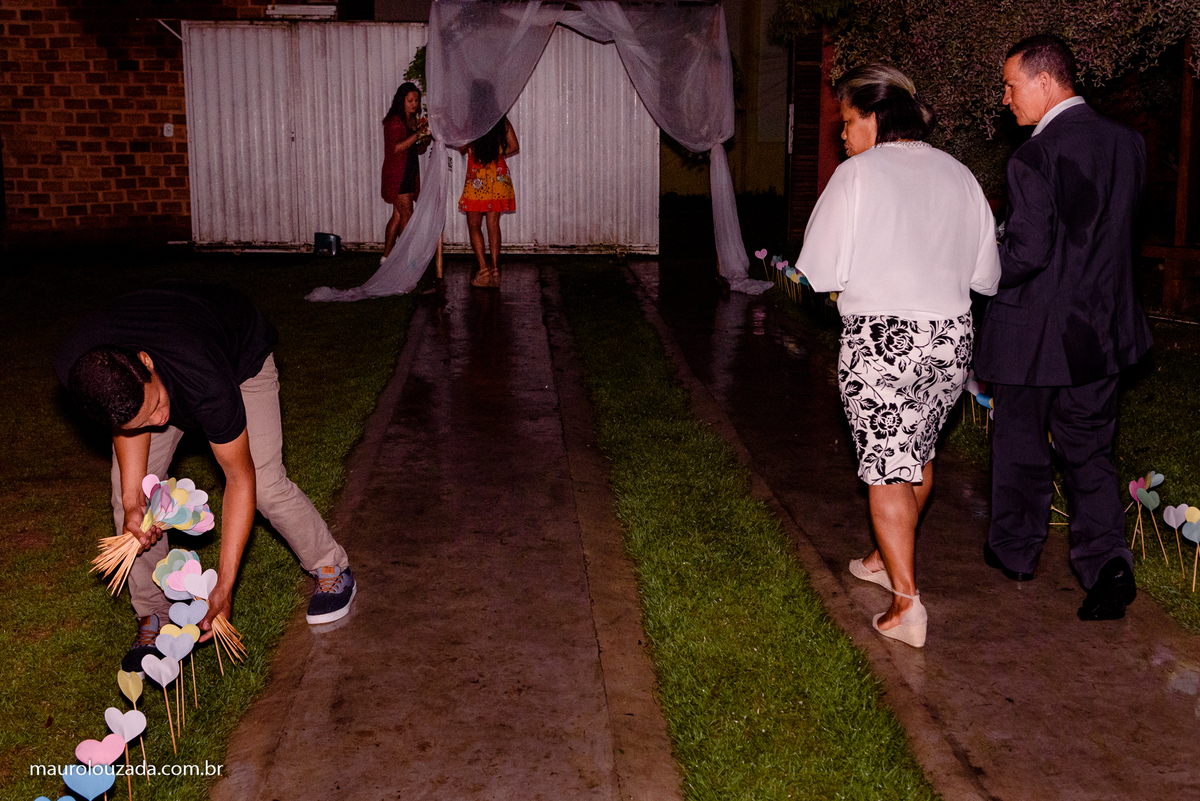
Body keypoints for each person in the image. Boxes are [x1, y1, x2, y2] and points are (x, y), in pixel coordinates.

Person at [796, 64, 1001, 647]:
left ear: (875, 117)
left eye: (848, 122)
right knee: (915, 452)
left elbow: (816, 271)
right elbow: (986, 275)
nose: (842, 135)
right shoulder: (959, 173)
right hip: (950, 337)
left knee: (885, 466)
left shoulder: (857, 175)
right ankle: (885, 557)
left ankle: (906, 604)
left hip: (884, 338)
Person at [55, 280, 357, 673]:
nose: (160, 421)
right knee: (127, 499)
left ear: (146, 362)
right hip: (170, 351)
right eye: (144, 421)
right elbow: (130, 418)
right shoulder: (77, 368)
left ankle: (331, 566)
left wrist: (225, 584)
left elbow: (240, 478)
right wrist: (134, 501)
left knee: (264, 482)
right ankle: (154, 615)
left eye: (158, 405)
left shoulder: (205, 377)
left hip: (238, 353)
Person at [975, 35, 1152, 620]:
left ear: (1045, 82)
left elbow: (1027, 252)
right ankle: (1107, 564)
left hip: (1035, 336)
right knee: (1090, 451)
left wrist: (979, 266)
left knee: (1021, 443)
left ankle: (1016, 552)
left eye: (1010, 85)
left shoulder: (1034, 155)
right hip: (1101, 332)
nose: (1005, 99)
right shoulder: (1128, 144)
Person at [458, 114, 519, 289]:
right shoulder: (501, 119)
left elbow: (462, 147)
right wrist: (497, 153)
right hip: (498, 178)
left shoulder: (471, 121)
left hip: (477, 179)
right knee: (493, 224)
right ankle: (494, 270)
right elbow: (514, 146)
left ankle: (483, 271)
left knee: (474, 224)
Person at [381, 82, 429, 261]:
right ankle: (405, 259)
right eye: (410, 100)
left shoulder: (411, 119)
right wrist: (417, 135)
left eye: (416, 100)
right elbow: (395, 148)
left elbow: (415, 149)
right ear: (401, 100)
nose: (414, 104)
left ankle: (386, 257)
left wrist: (423, 139)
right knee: (407, 215)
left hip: (407, 172)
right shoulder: (395, 121)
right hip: (397, 174)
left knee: (398, 216)